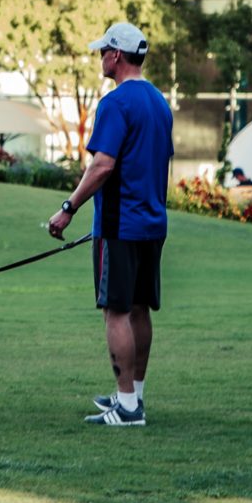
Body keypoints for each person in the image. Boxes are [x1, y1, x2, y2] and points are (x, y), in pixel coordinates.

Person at [47, 22, 174, 428]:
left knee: (115, 311)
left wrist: (68, 207)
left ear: (116, 55)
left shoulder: (115, 103)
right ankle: (133, 395)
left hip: (120, 226)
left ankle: (127, 407)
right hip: (152, 224)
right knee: (139, 309)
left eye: (103, 50)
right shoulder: (158, 102)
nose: (100, 57)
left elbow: (103, 164)